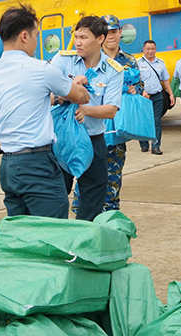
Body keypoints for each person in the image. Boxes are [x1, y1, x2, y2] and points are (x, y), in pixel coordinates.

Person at [0, 5, 90, 219]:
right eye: (36, 35)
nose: (36, 42)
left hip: (9, 165)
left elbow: (26, 100)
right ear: (24, 36)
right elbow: (80, 96)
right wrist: (79, 85)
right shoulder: (40, 69)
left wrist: (57, 97)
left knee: (20, 230)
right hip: (36, 165)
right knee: (52, 229)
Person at [51, 15, 123, 221]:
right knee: (55, 195)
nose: (78, 42)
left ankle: (83, 235)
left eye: (83, 37)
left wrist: (86, 111)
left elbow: (111, 110)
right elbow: (48, 94)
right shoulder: (62, 60)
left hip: (93, 140)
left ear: (100, 39)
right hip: (61, 140)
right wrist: (72, 89)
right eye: (76, 37)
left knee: (93, 197)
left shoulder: (113, 70)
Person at [73, 14, 145, 213]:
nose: (111, 36)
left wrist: (135, 89)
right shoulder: (88, 58)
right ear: (100, 37)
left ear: (120, 32)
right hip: (92, 129)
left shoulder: (129, 60)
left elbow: (140, 85)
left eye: (114, 31)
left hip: (117, 128)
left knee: (113, 175)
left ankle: (110, 212)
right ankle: (82, 212)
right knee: (85, 176)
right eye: (107, 32)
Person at [137, 40, 174, 155]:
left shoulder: (160, 63)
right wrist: (142, 91)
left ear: (155, 49)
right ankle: (144, 144)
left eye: (152, 49)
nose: (150, 51)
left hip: (157, 96)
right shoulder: (138, 63)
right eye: (148, 49)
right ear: (143, 50)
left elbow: (165, 80)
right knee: (143, 121)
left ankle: (156, 146)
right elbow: (134, 81)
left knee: (156, 121)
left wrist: (171, 94)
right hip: (143, 97)